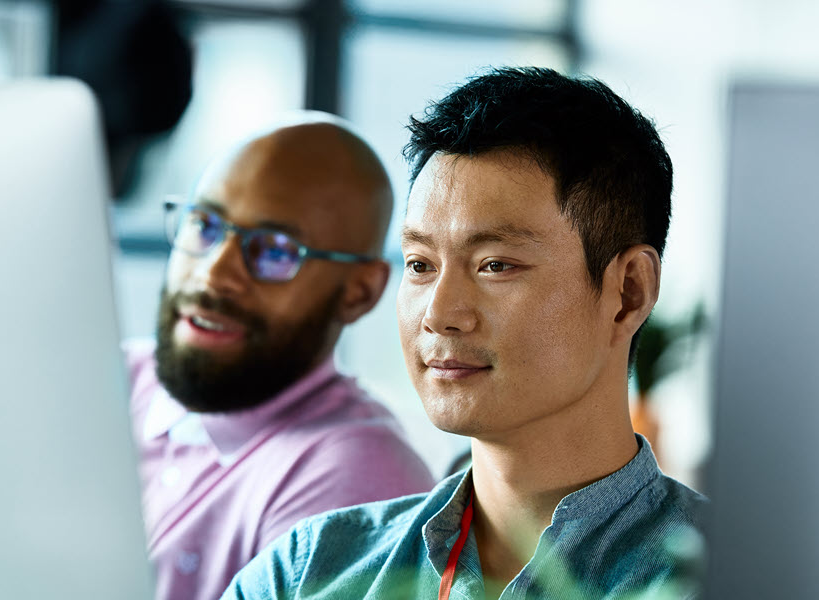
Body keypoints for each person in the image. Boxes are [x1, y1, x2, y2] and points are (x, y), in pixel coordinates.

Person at [223, 67, 708, 600]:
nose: (440, 313)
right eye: (419, 263)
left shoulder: (734, 578)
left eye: (495, 265)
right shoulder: (307, 571)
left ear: (629, 293)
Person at [125, 114, 436, 600]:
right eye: (204, 225)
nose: (213, 275)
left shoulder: (354, 474)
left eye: (274, 251)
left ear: (359, 292)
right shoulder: (111, 377)